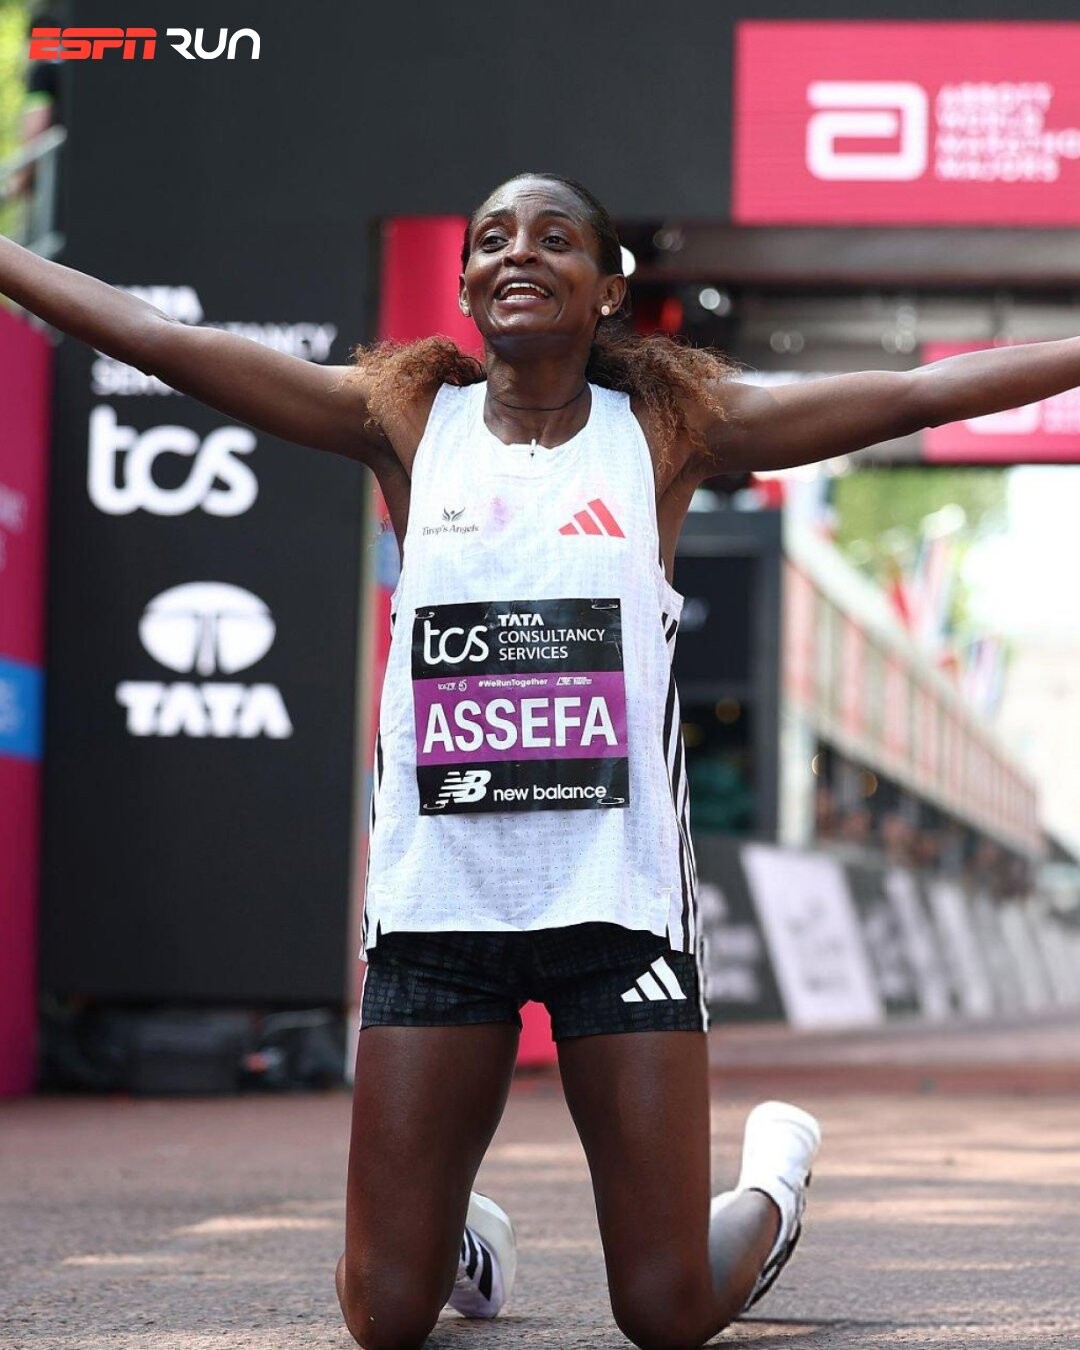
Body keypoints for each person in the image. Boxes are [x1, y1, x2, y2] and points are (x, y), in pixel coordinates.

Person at [5, 172, 1080, 1348]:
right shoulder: (407, 426)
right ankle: (464, 1240)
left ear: (609, 289)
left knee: (666, 1312)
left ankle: (772, 1180)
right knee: (385, 1316)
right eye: (492, 240)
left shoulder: (668, 433)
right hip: (438, 913)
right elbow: (158, 338)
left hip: (617, 910)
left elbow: (920, 393)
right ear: (466, 285)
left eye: (555, 238)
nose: (518, 253)